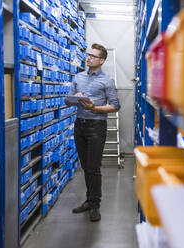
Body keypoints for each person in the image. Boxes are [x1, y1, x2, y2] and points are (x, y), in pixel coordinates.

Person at [65, 43, 120, 222]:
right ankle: (89, 200)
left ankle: (95, 205)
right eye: (88, 55)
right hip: (79, 125)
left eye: (93, 56)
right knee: (85, 166)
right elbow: (67, 100)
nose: (88, 57)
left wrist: (94, 107)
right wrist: (75, 99)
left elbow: (115, 106)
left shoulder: (107, 81)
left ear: (101, 60)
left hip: (96, 126)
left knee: (94, 168)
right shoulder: (78, 77)